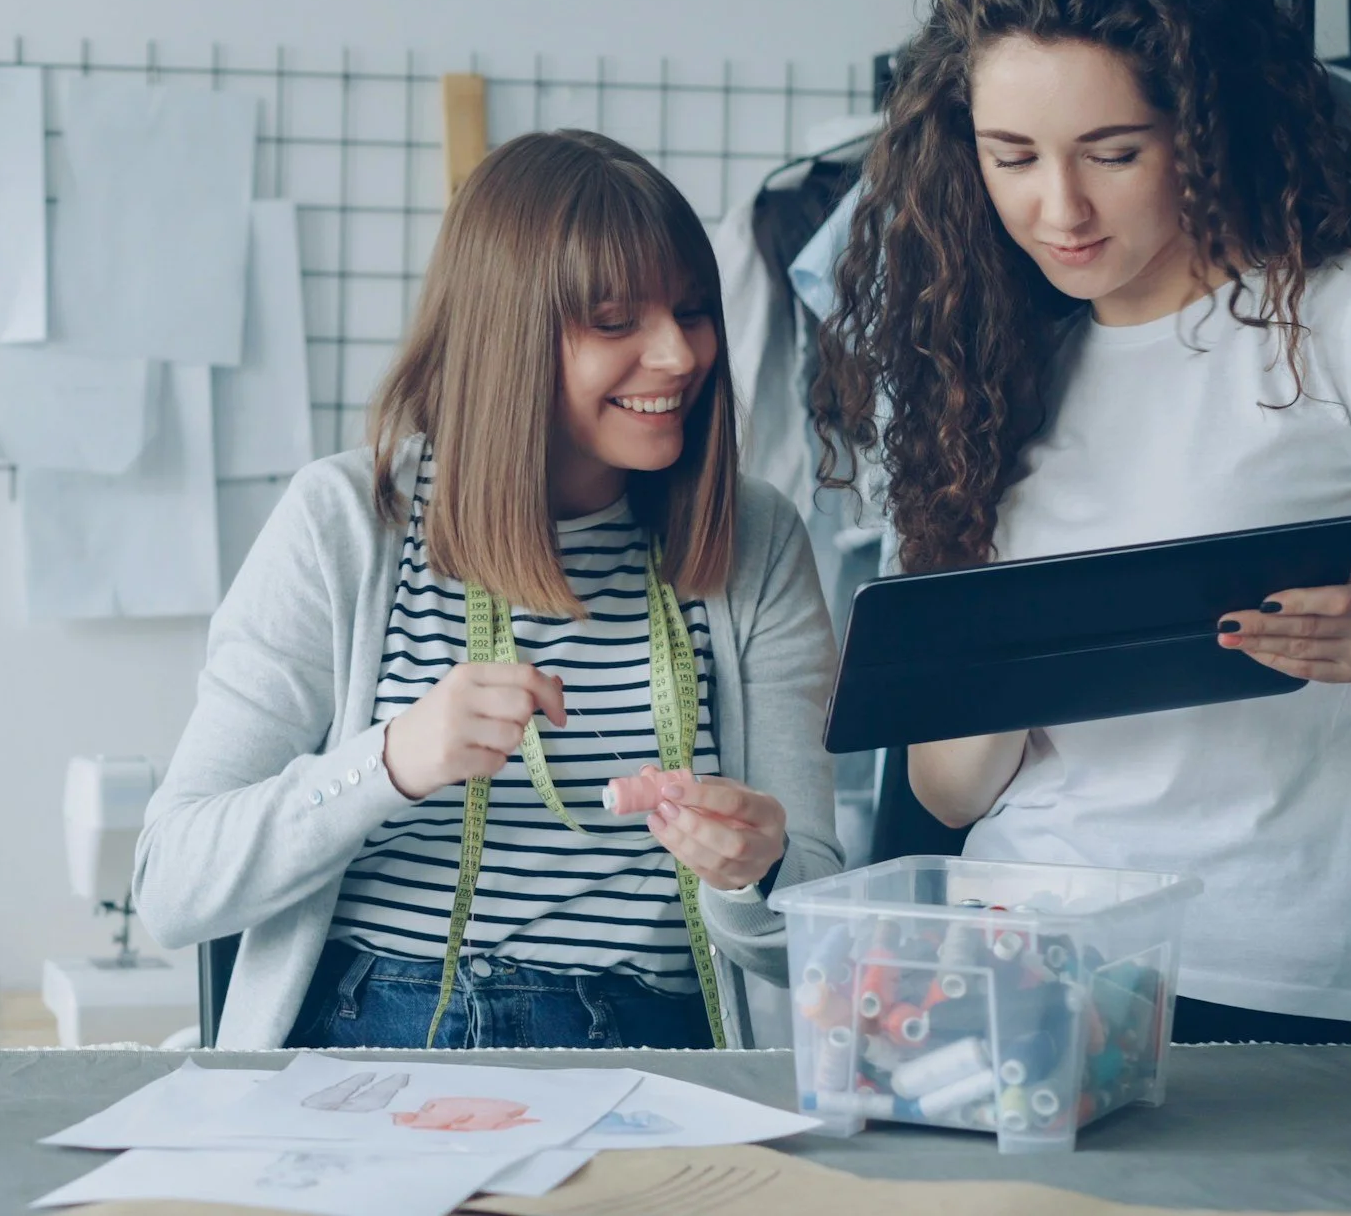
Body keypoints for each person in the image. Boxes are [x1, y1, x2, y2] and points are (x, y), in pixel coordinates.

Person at [812, 0, 1351, 1044]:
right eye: (1010, 156)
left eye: (1112, 152)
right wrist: (1002, 670)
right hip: (1013, 958)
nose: (1058, 207)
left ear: (1204, 127)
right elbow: (946, 795)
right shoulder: (986, 370)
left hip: (1266, 979)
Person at [134, 130, 841, 1050]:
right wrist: (387, 763)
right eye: (616, 321)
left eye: (695, 311)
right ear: (509, 338)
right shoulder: (346, 523)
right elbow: (173, 884)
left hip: (652, 1052)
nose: (678, 355)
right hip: (375, 1033)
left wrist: (757, 870)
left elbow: (815, 933)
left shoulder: (755, 539)